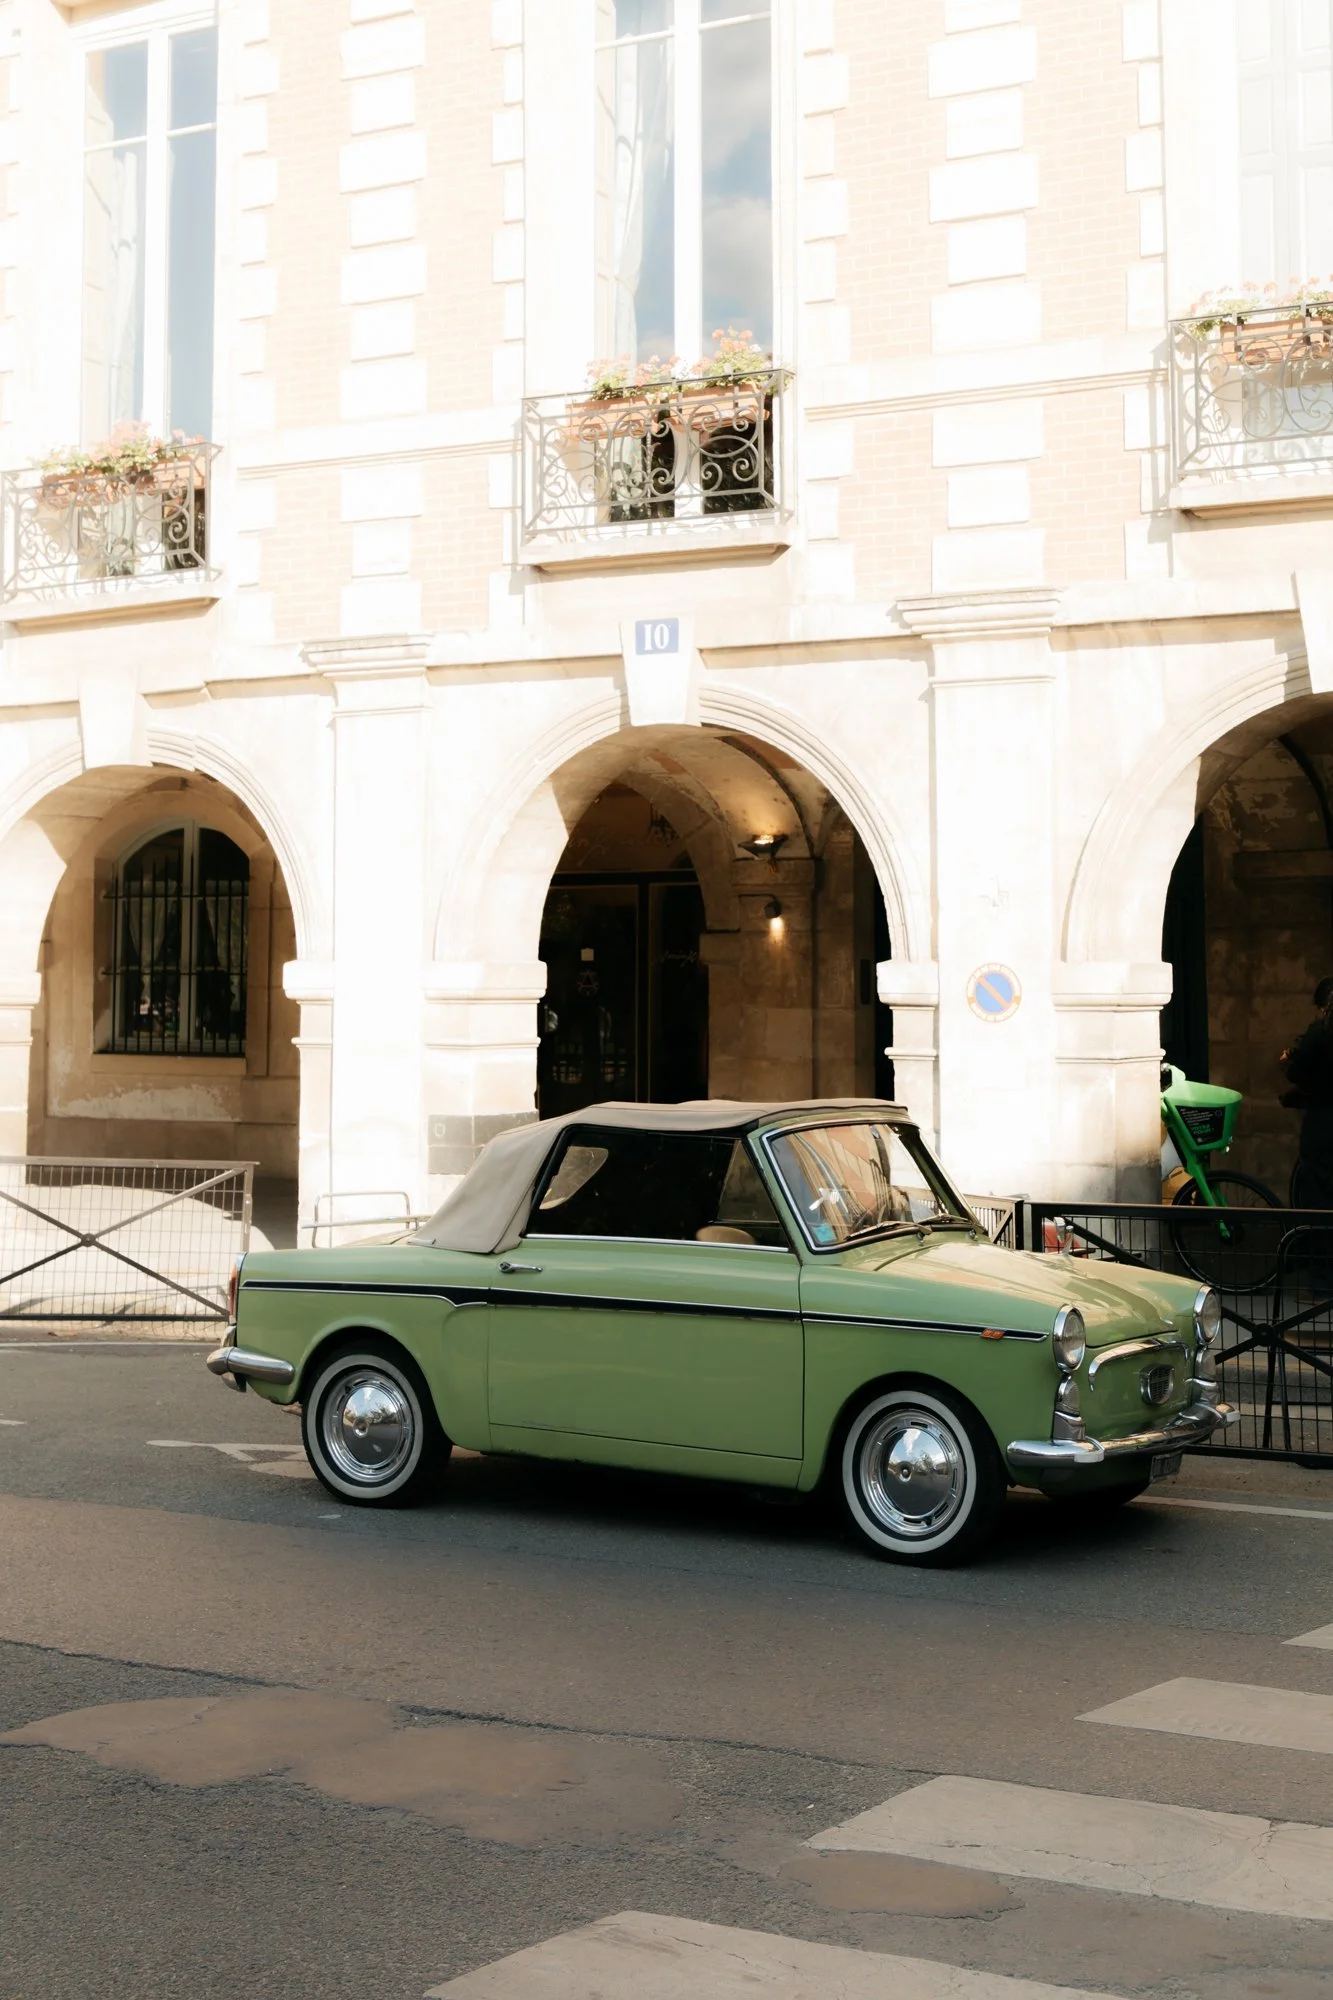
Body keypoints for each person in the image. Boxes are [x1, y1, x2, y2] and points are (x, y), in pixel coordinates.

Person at [1282, 978, 1333, 1206]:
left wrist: (1287, 1062)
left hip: (1324, 1119)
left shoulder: (1321, 1031)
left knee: (1318, 1185)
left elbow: (1297, 1072)